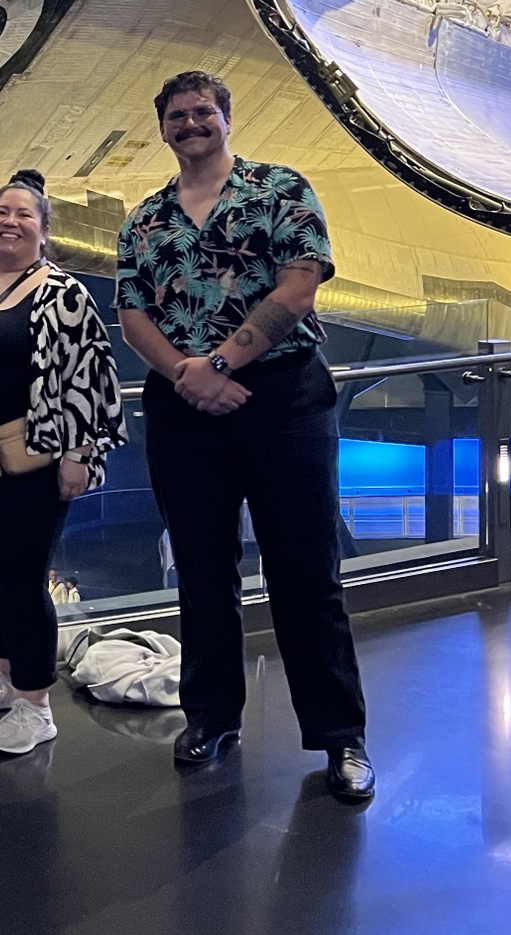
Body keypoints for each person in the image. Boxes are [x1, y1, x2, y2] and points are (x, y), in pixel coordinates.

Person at [116, 70, 374, 802]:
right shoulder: (145, 218)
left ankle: (340, 737)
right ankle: (211, 717)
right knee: (201, 572)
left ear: (227, 118)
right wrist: (188, 374)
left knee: (306, 571)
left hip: (283, 399)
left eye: (203, 112)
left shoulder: (280, 189)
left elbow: (298, 287)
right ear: (162, 127)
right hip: (183, 404)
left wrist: (222, 362)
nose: (191, 123)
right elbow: (133, 313)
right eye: (177, 115)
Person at [0, 170, 125, 754]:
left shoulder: (63, 294)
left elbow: (90, 380)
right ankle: (7, 673)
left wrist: (79, 455)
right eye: (1, 213)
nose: (10, 223)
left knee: (22, 575)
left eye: (24, 216)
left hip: (31, 460)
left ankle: (36, 704)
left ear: (43, 230)